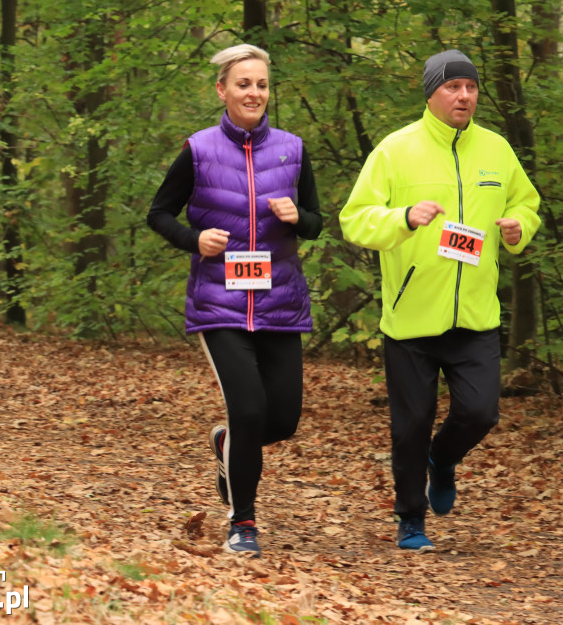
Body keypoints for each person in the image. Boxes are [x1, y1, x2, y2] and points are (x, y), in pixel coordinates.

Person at [339, 49, 540, 551]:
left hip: (474, 315)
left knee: (480, 413)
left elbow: (526, 201)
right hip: (412, 320)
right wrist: (403, 217)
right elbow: (355, 218)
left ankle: (443, 459)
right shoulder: (395, 150)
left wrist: (520, 226)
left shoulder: (496, 149)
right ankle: (411, 520)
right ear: (430, 93)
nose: (464, 96)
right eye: (453, 87)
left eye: (471, 88)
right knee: (410, 426)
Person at [147, 44, 322, 557]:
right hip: (220, 301)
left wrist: (297, 219)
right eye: (243, 84)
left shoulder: (292, 148)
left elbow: (316, 220)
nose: (254, 93)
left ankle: (229, 446)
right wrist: (193, 240)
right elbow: (159, 213)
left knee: (283, 418)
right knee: (248, 409)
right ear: (222, 90)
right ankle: (242, 520)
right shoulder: (199, 149)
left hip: (280, 302)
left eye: (262, 84)